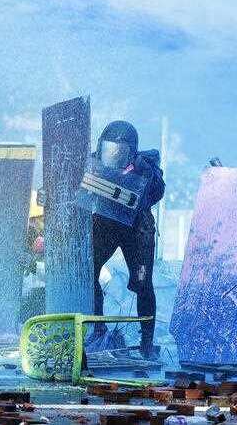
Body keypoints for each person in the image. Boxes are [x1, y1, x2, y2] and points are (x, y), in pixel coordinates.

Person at [91, 121, 164, 359]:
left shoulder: (145, 166)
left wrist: (148, 174)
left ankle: (146, 341)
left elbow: (157, 192)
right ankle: (97, 328)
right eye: (109, 149)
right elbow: (72, 184)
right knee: (88, 273)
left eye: (119, 151)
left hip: (137, 230)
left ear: (131, 152)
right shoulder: (94, 162)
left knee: (143, 283)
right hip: (106, 224)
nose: (113, 155)